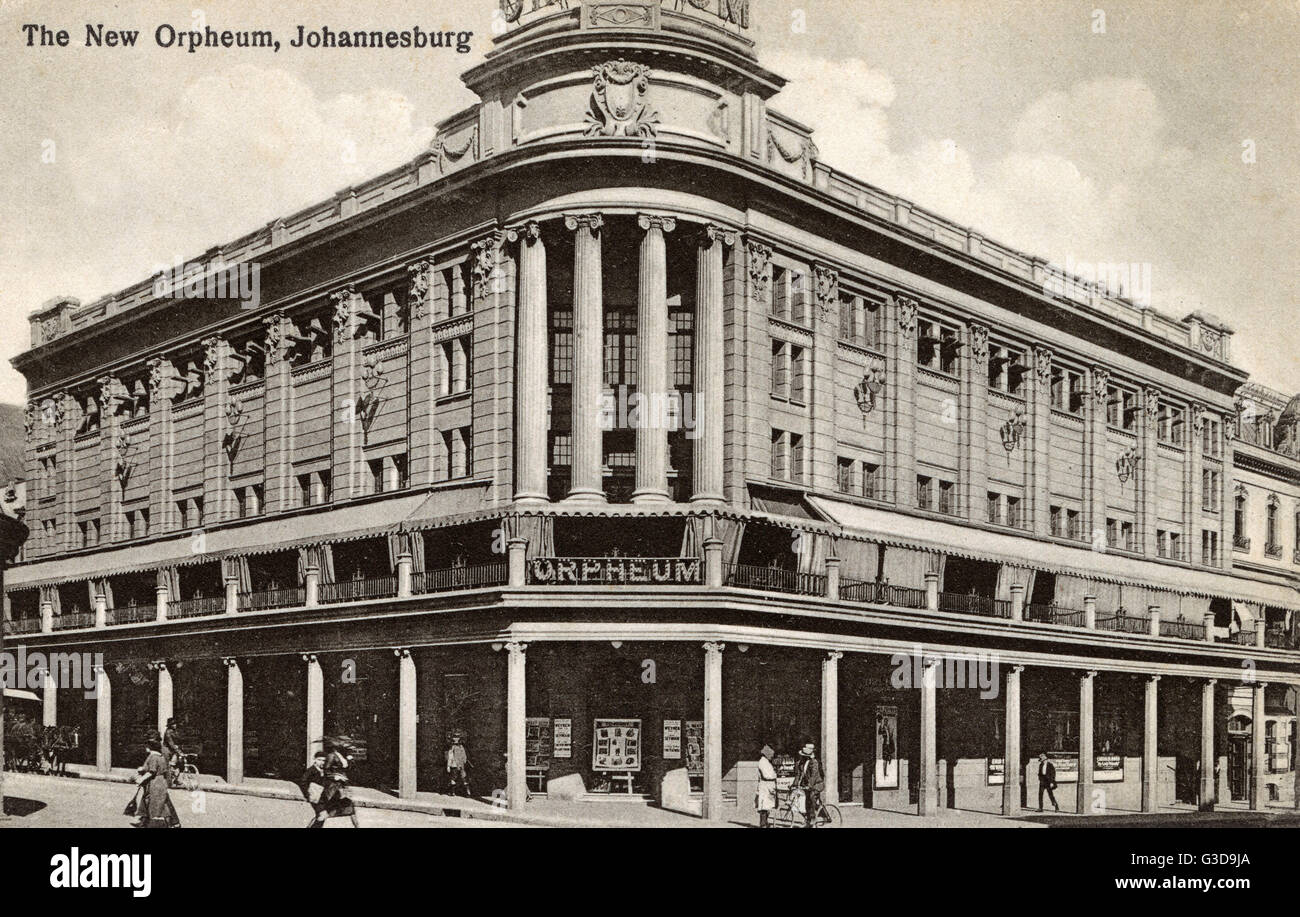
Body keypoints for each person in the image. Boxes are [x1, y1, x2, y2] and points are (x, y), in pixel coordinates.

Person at [299, 743, 360, 828]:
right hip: (316, 796)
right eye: (319, 760)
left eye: (324, 760)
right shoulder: (311, 771)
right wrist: (308, 794)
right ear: (314, 760)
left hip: (324, 796)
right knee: (322, 816)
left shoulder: (324, 772)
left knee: (322, 817)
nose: (322, 762)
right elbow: (303, 782)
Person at [135, 733, 181, 828]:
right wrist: (143, 769)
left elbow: (152, 771)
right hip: (161, 782)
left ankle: (172, 824)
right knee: (149, 801)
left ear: (149, 746)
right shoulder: (161, 756)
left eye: (146, 745)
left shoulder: (153, 757)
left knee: (160, 804)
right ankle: (144, 822)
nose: (145, 747)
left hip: (155, 783)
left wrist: (141, 779)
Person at [794, 741, 824, 828]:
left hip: (817, 784)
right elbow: (798, 774)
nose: (802, 756)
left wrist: (809, 785)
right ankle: (808, 819)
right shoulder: (801, 763)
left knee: (811, 797)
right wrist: (794, 784)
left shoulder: (814, 762)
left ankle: (813, 818)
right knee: (806, 802)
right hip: (809, 785)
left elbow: (814, 776)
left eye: (804, 755)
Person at [755, 744, 778, 828]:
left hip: (768, 786)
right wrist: (775, 775)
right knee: (764, 806)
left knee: (768, 806)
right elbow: (767, 775)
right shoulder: (763, 762)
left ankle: (765, 823)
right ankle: (763, 824)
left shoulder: (766, 762)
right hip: (765, 786)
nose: (772, 756)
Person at [447, 733, 471, 797]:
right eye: (455, 737)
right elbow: (450, 756)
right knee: (455, 777)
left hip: (459, 764)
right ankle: (453, 792)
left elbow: (464, 755)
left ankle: (467, 792)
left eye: (457, 737)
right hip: (456, 764)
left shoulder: (459, 746)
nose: (456, 738)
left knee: (463, 777)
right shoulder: (454, 747)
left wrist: (464, 761)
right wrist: (448, 766)